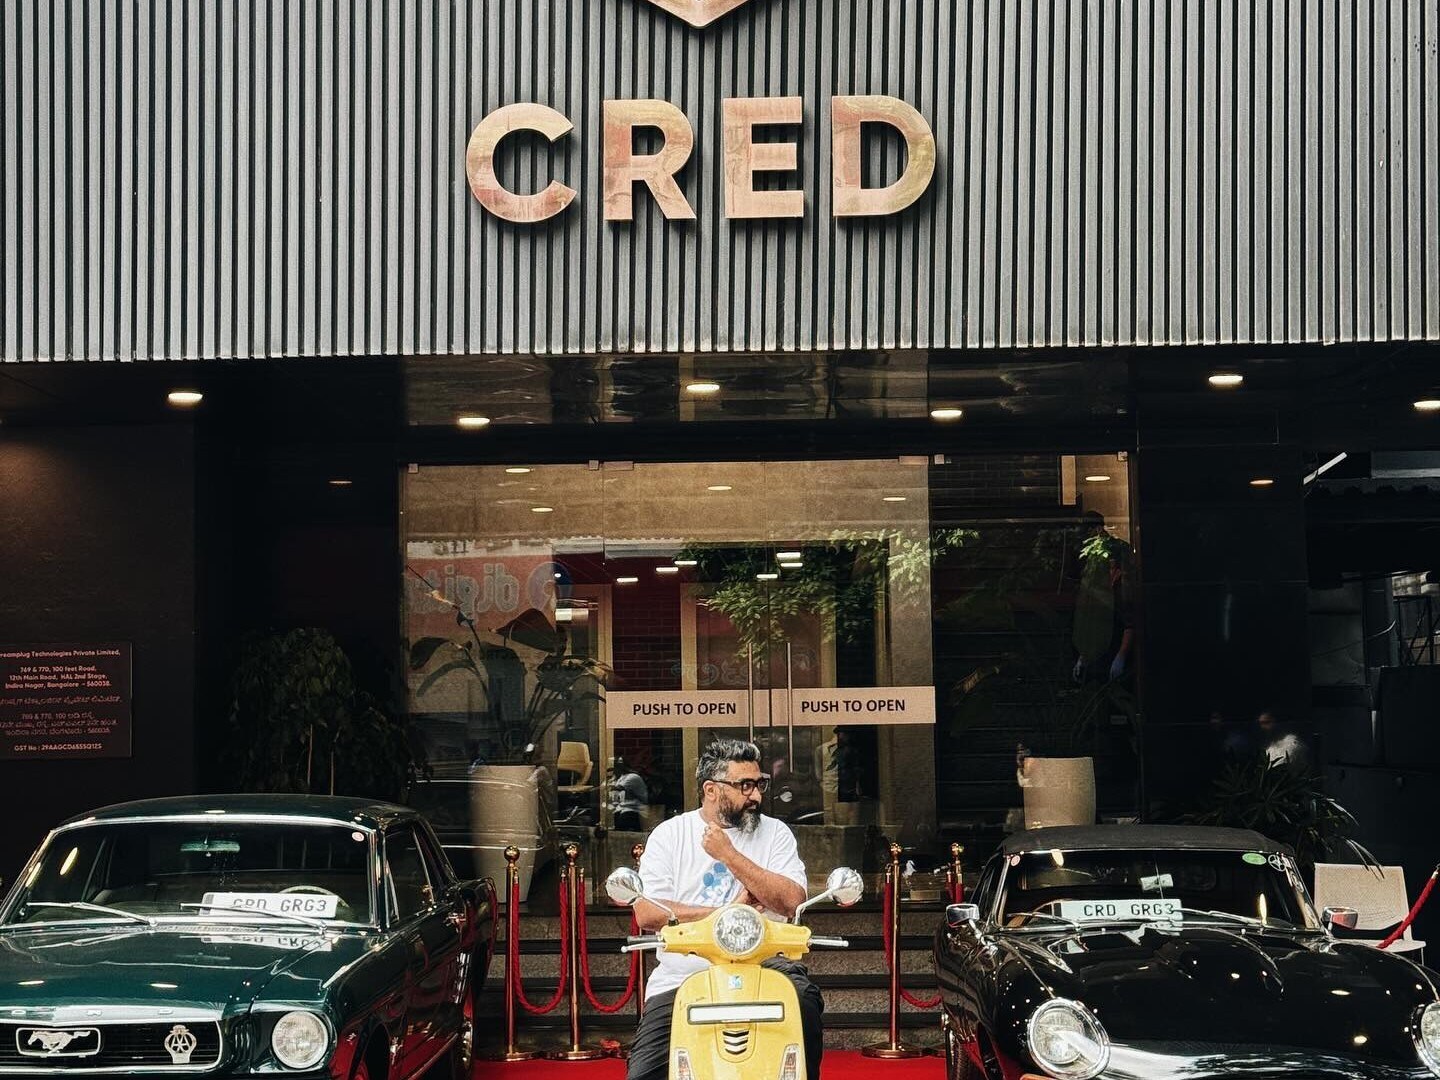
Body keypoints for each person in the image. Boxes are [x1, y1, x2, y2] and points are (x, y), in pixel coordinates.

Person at [625, 739, 820, 1080]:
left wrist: (729, 855)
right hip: (684, 974)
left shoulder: (776, 833)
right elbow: (648, 913)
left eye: (759, 784)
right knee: (643, 1073)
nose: (756, 795)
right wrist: (728, 912)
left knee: (804, 1001)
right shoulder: (670, 835)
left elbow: (792, 901)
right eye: (744, 785)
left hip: (766, 967)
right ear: (711, 790)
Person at [607, 756, 649, 831]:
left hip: (636, 810)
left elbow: (618, 788)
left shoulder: (632, 777)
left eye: (615, 769)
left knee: (623, 819)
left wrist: (607, 784)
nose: (612, 772)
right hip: (623, 808)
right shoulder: (619, 778)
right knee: (612, 818)